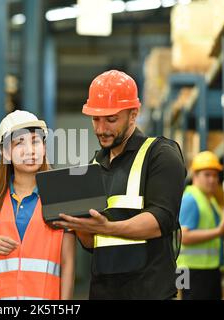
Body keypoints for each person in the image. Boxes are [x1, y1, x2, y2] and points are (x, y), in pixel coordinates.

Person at [53, 70, 186, 299]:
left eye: (111, 119)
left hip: (149, 293)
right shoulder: (92, 165)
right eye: (96, 119)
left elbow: (161, 220)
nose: (101, 129)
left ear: (133, 114)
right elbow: (92, 243)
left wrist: (107, 227)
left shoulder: (161, 154)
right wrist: (76, 224)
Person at [0, 110, 75, 300]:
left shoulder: (61, 196)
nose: (30, 150)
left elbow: (68, 263)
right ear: (6, 152)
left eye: (35, 141)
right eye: (19, 143)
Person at [177, 151, 224, 300]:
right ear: (195, 176)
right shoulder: (190, 199)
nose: (212, 180)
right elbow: (184, 237)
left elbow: (211, 231)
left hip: (208, 269)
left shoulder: (210, 201)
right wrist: (219, 231)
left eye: (215, 175)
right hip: (191, 271)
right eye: (207, 175)